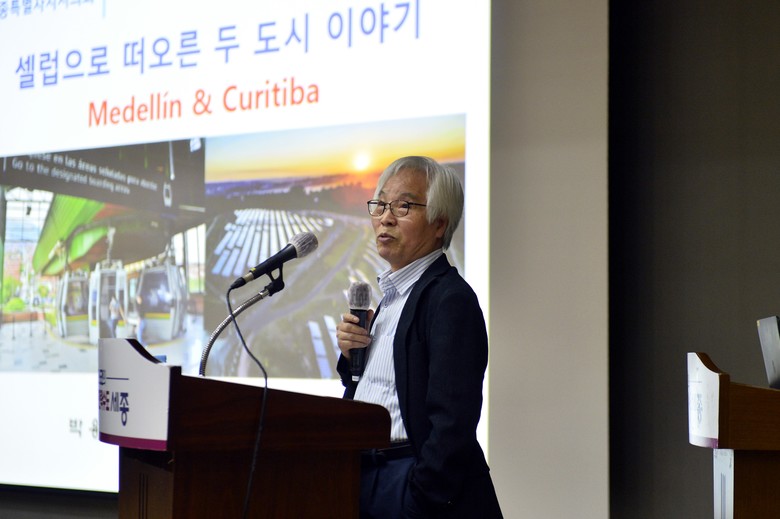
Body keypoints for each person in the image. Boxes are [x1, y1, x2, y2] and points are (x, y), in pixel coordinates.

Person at [336, 156, 502, 518]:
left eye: (404, 206)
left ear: (439, 223)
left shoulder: (450, 299)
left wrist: (419, 501)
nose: (385, 218)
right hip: (367, 473)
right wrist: (351, 360)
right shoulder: (391, 298)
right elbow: (383, 392)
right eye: (380, 205)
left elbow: (453, 424)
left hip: (409, 481)